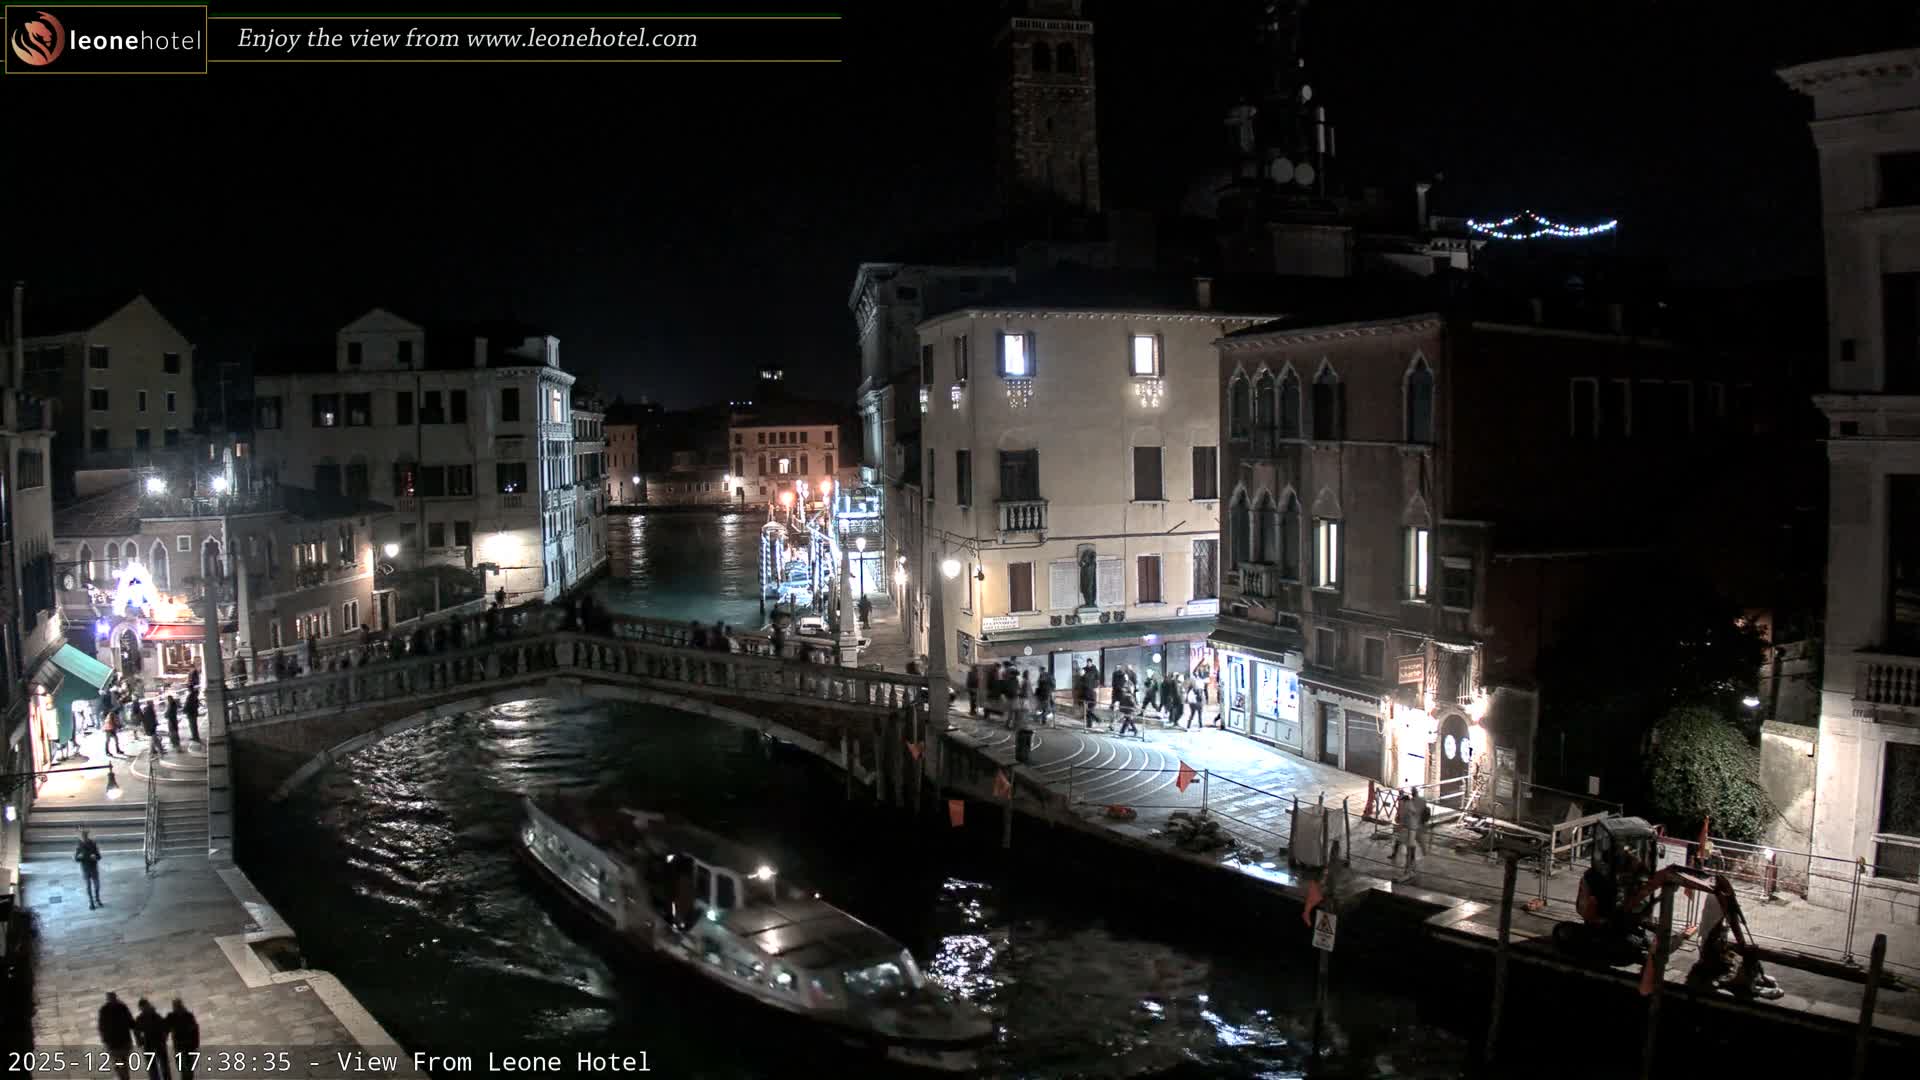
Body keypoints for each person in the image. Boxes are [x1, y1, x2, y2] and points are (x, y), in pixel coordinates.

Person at [98, 992, 135, 1080]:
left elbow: (131, 1022)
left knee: (122, 1065)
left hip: (121, 1043)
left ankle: (124, 1077)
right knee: (121, 1065)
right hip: (116, 1043)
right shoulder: (107, 1010)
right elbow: (102, 1027)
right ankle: (124, 1078)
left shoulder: (120, 1008)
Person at [134, 998, 171, 1080]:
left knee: (163, 1066)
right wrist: (139, 1041)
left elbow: (166, 1027)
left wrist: (165, 1037)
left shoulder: (155, 1016)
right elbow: (136, 1032)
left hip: (158, 1043)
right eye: (143, 1007)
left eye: (145, 1006)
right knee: (153, 1067)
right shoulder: (141, 1018)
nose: (144, 1008)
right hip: (149, 1044)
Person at [166, 999, 199, 1080]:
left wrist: (195, 1044)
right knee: (184, 1068)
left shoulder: (187, 1016)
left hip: (186, 1046)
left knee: (187, 1068)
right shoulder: (173, 1016)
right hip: (181, 1046)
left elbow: (195, 1031)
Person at [76, 828, 104, 909]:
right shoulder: (79, 846)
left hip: (93, 868)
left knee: (97, 885)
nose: (84, 837)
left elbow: (99, 856)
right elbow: (76, 858)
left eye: (85, 835)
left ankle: (97, 899)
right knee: (88, 886)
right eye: (83, 836)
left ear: (87, 836)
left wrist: (95, 857)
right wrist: (79, 857)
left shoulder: (93, 844)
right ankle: (91, 902)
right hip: (85, 869)